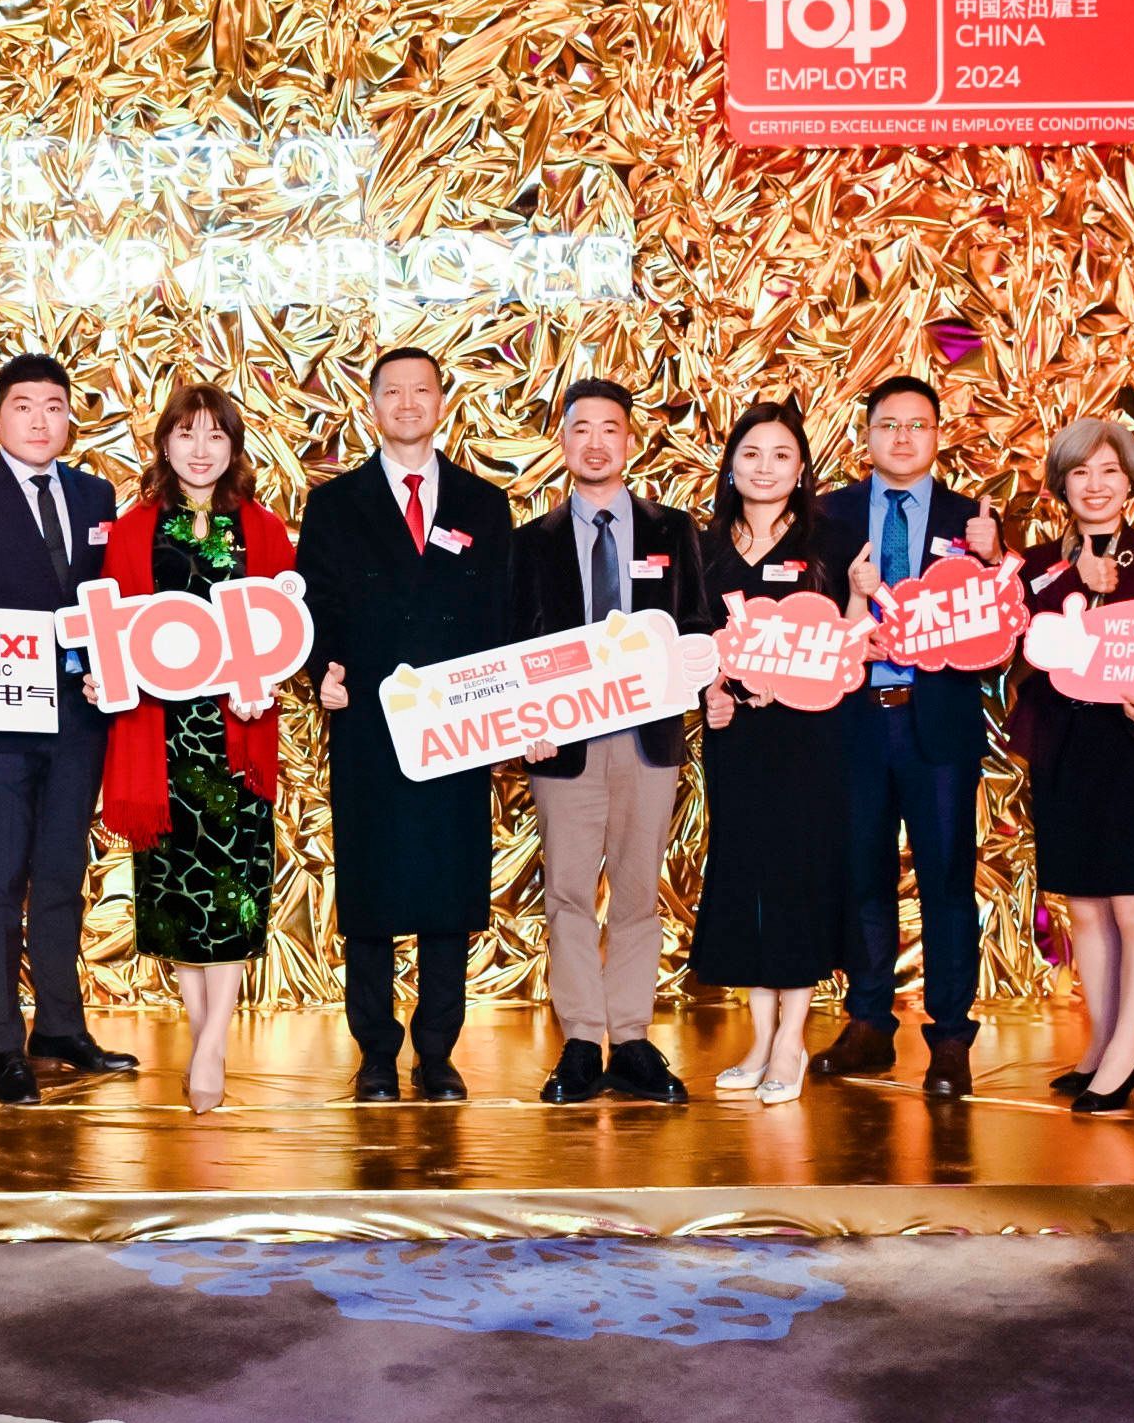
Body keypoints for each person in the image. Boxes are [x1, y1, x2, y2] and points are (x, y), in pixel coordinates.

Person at [297, 346, 516, 1102]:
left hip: (460, 722)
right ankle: (376, 1053)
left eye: (422, 390)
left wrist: (508, 707)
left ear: (442, 402)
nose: (409, 403)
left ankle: (437, 1050)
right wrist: (321, 669)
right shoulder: (334, 504)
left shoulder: (484, 503)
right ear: (373, 406)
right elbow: (312, 606)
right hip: (368, 721)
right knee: (371, 891)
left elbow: (503, 616)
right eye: (394, 391)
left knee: (449, 889)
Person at [0, 353, 138, 1106]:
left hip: (78, 718)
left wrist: (109, 669)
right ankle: (4, 1045)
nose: (40, 420)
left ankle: (61, 1027)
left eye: (53, 406)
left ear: (69, 417)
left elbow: (106, 602)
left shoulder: (96, 494)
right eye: (23, 406)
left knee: (60, 878)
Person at [92, 383, 294, 1113]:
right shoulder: (133, 531)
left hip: (235, 734)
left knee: (233, 890)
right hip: (159, 737)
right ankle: (202, 1032)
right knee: (176, 892)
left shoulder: (263, 530)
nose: (200, 449)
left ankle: (212, 1045)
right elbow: (113, 628)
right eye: (186, 434)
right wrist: (102, 674)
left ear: (234, 447)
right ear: (164, 445)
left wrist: (268, 679)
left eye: (215, 435)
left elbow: (286, 628)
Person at [510, 377, 710, 1104]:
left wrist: (705, 681)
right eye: (581, 429)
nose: (595, 443)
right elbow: (513, 644)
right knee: (566, 891)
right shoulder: (530, 543)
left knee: (636, 891)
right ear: (563, 441)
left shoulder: (674, 531)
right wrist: (524, 718)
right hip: (562, 743)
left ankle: (629, 1038)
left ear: (630, 440)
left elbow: (699, 627)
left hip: (646, 738)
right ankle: (580, 1040)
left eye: (609, 429)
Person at [809, 375, 1007, 1096]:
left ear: (937, 435)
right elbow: (803, 614)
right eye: (888, 424)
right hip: (853, 719)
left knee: (947, 880)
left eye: (917, 425)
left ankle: (951, 1036)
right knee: (862, 875)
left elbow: (1000, 633)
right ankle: (868, 1023)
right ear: (865, 435)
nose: (901, 437)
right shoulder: (827, 514)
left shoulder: (972, 518)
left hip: (937, 722)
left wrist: (992, 561)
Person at [1008, 417, 1134, 1117]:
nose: (1096, 485)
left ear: (1130, 482)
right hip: (1066, 744)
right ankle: (1102, 1044)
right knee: (1086, 908)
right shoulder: (1036, 565)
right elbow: (1022, 645)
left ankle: (1125, 1056)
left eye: (1109, 471)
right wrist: (1074, 584)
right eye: (1080, 472)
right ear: (1061, 486)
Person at [690, 400, 852, 1104]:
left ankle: (792, 1038)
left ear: (802, 468)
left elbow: (853, 643)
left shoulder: (831, 543)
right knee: (746, 875)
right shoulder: (703, 547)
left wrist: (860, 606)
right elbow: (691, 642)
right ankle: (759, 1039)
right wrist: (710, 693)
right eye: (752, 453)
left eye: (782, 455)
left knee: (798, 878)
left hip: (811, 741)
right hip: (736, 739)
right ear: (731, 465)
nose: (765, 467)